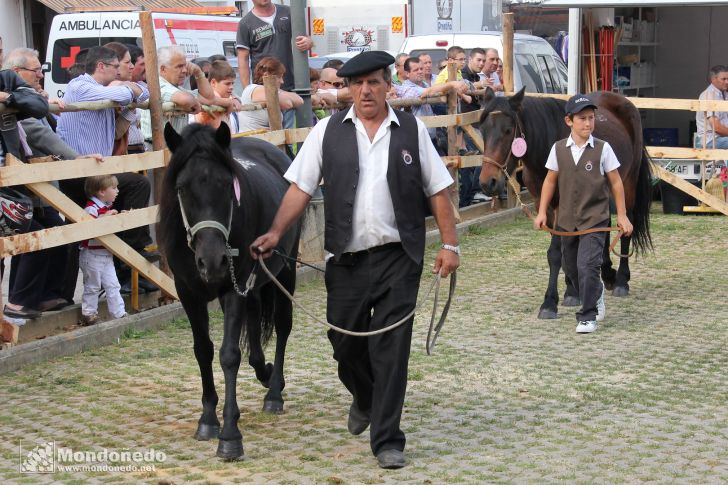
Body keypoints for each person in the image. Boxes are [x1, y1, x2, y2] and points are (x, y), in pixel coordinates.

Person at [249, 51, 460, 469]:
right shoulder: (326, 132)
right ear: (347, 89)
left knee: (391, 348)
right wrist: (275, 233)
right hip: (344, 259)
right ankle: (364, 397)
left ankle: (387, 440)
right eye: (357, 83)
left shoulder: (411, 131)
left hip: (399, 257)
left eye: (374, 82)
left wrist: (449, 245)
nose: (366, 90)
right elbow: (300, 188)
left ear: (387, 86)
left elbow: (438, 189)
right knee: (343, 344)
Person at [533, 94, 633, 334]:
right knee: (573, 269)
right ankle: (595, 294)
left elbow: (617, 183)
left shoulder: (603, 148)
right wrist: (542, 212)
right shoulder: (558, 149)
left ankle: (587, 316)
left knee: (588, 267)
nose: (588, 123)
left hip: (595, 220)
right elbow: (549, 181)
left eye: (591, 118)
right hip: (566, 221)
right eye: (582, 119)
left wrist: (621, 215)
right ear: (569, 121)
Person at [0, 42, 53, 319]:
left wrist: (7, 98)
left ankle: (15, 306)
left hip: (9, 179)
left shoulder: (7, 79)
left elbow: (38, 105)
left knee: (34, 236)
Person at [78, 175, 127, 326]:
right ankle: (89, 314)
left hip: (106, 255)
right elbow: (88, 229)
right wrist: (105, 218)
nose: (117, 191)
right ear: (101, 192)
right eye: (114, 188)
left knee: (113, 284)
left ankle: (119, 313)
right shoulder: (91, 209)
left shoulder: (107, 209)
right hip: (92, 255)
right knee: (92, 285)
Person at [236, 0, 313, 92]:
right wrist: (247, 91)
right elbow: (243, 59)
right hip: (264, 85)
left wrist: (308, 42)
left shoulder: (288, 12)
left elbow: (305, 37)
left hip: (291, 82)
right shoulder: (245, 23)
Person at [237, 56, 303, 132]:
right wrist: (281, 93)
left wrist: (279, 92)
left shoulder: (268, 90)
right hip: (252, 141)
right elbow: (287, 104)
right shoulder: (254, 89)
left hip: (264, 140)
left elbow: (300, 100)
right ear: (267, 75)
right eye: (279, 77)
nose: (282, 81)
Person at [195, 61, 243, 132]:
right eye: (227, 84)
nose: (231, 87)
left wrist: (234, 99)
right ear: (213, 83)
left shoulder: (227, 97)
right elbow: (205, 100)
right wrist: (227, 102)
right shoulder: (205, 97)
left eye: (232, 83)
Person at [696, 65, 728, 149]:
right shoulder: (708, 95)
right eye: (723, 79)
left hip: (723, 138)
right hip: (711, 140)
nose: (727, 82)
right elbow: (716, 127)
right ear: (713, 79)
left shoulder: (724, 94)